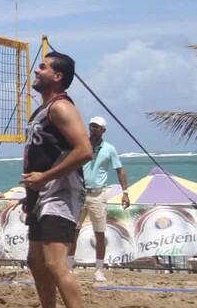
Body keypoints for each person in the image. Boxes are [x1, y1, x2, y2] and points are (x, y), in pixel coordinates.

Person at [21, 51, 93, 308]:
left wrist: (45, 178)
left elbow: (85, 151)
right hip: (42, 195)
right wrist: (31, 193)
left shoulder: (61, 107)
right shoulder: (41, 110)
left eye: (43, 67)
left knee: (54, 263)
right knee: (36, 263)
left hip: (61, 193)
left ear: (58, 76)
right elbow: (42, 156)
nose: (36, 70)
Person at [66, 116, 130, 282]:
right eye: (92, 127)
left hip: (98, 194)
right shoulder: (82, 146)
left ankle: (99, 270)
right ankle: (68, 267)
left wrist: (125, 192)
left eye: (97, 127)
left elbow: (120, 170)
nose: (94, 130)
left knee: (100, 233)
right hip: (79, 193)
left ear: (103, 130)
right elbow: (70, 165)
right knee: (73, 231)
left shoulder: (109, 149)